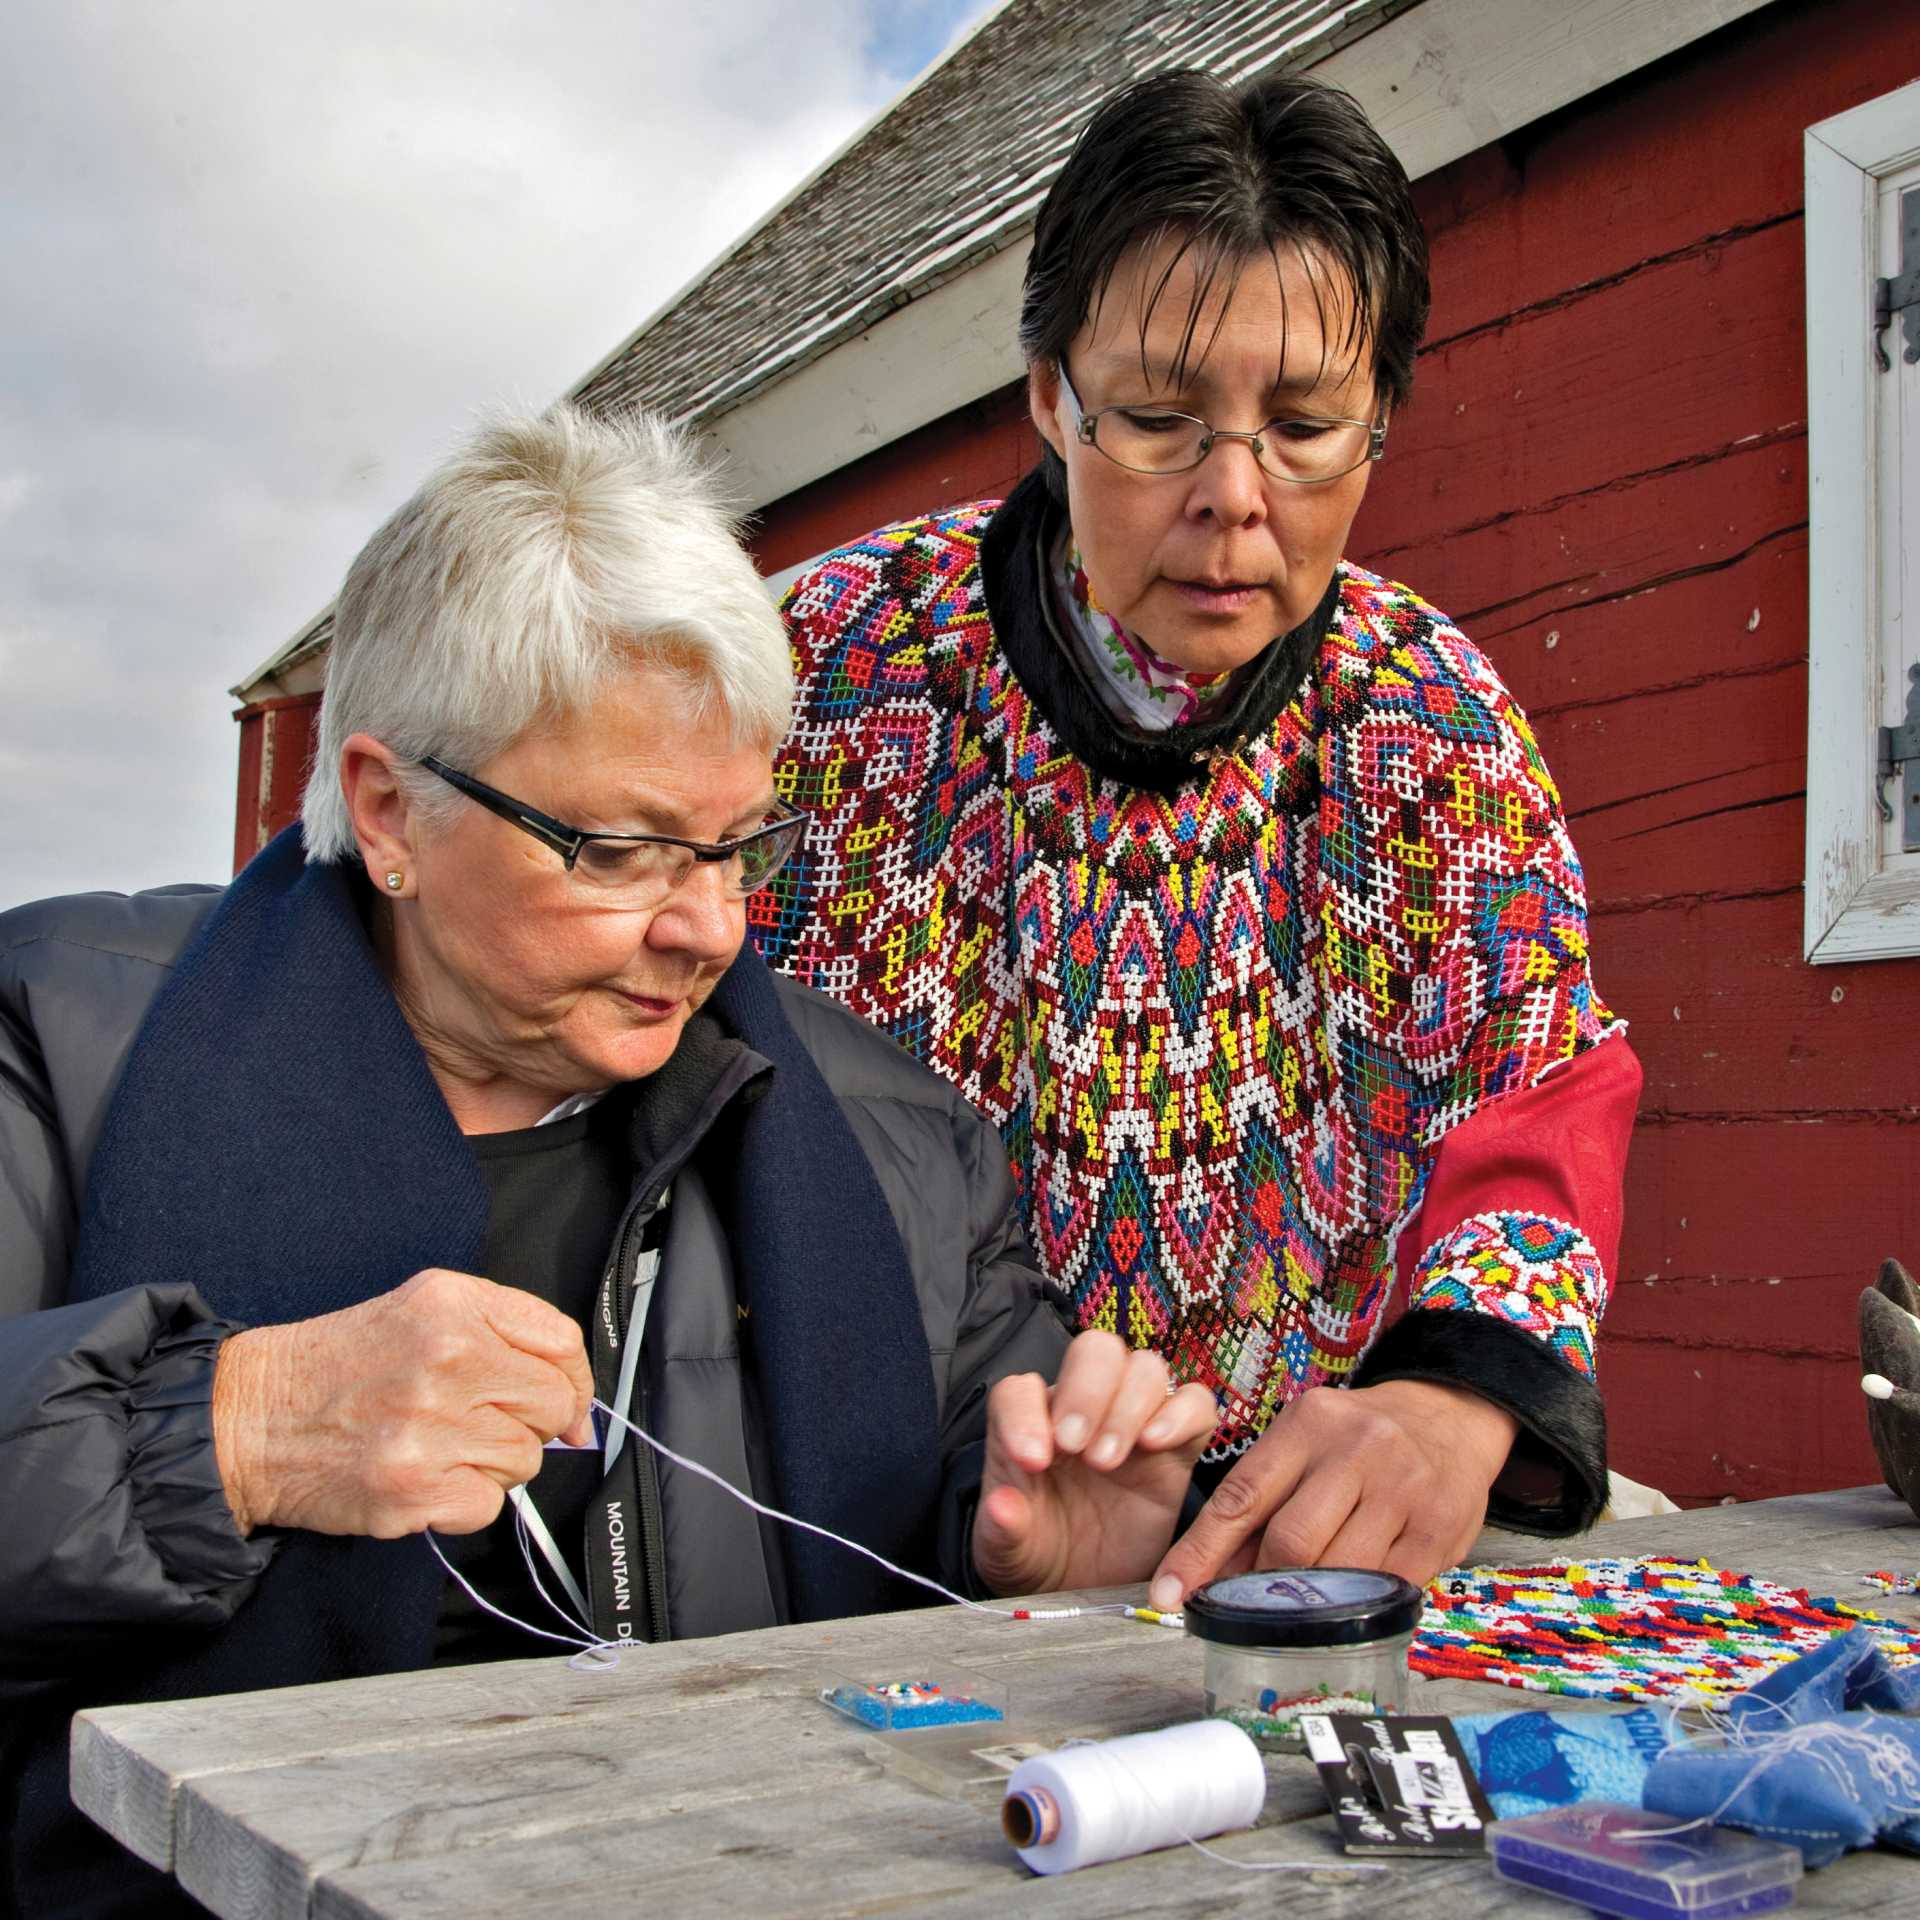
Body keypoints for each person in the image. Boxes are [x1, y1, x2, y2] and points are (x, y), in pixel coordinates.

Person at [0, 406, 1218, 1918]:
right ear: (391, 810)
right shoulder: (55, 1048)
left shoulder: (896, 1139)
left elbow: (985, 1597)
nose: (707, 927)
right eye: (621, 851)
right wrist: (232, 1434)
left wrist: (1048, 1587)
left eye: (735, 849)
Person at [762, 70, 1642, 1607]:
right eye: (1160, 422)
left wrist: (1452, 1402)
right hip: (877, 1518)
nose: (1235, 501)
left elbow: (1539, 1096)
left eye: (1306, 428)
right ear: (1049, 397)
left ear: (1384, 421)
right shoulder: (828, 673)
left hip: (1303, 1540)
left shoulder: (1427, 723)